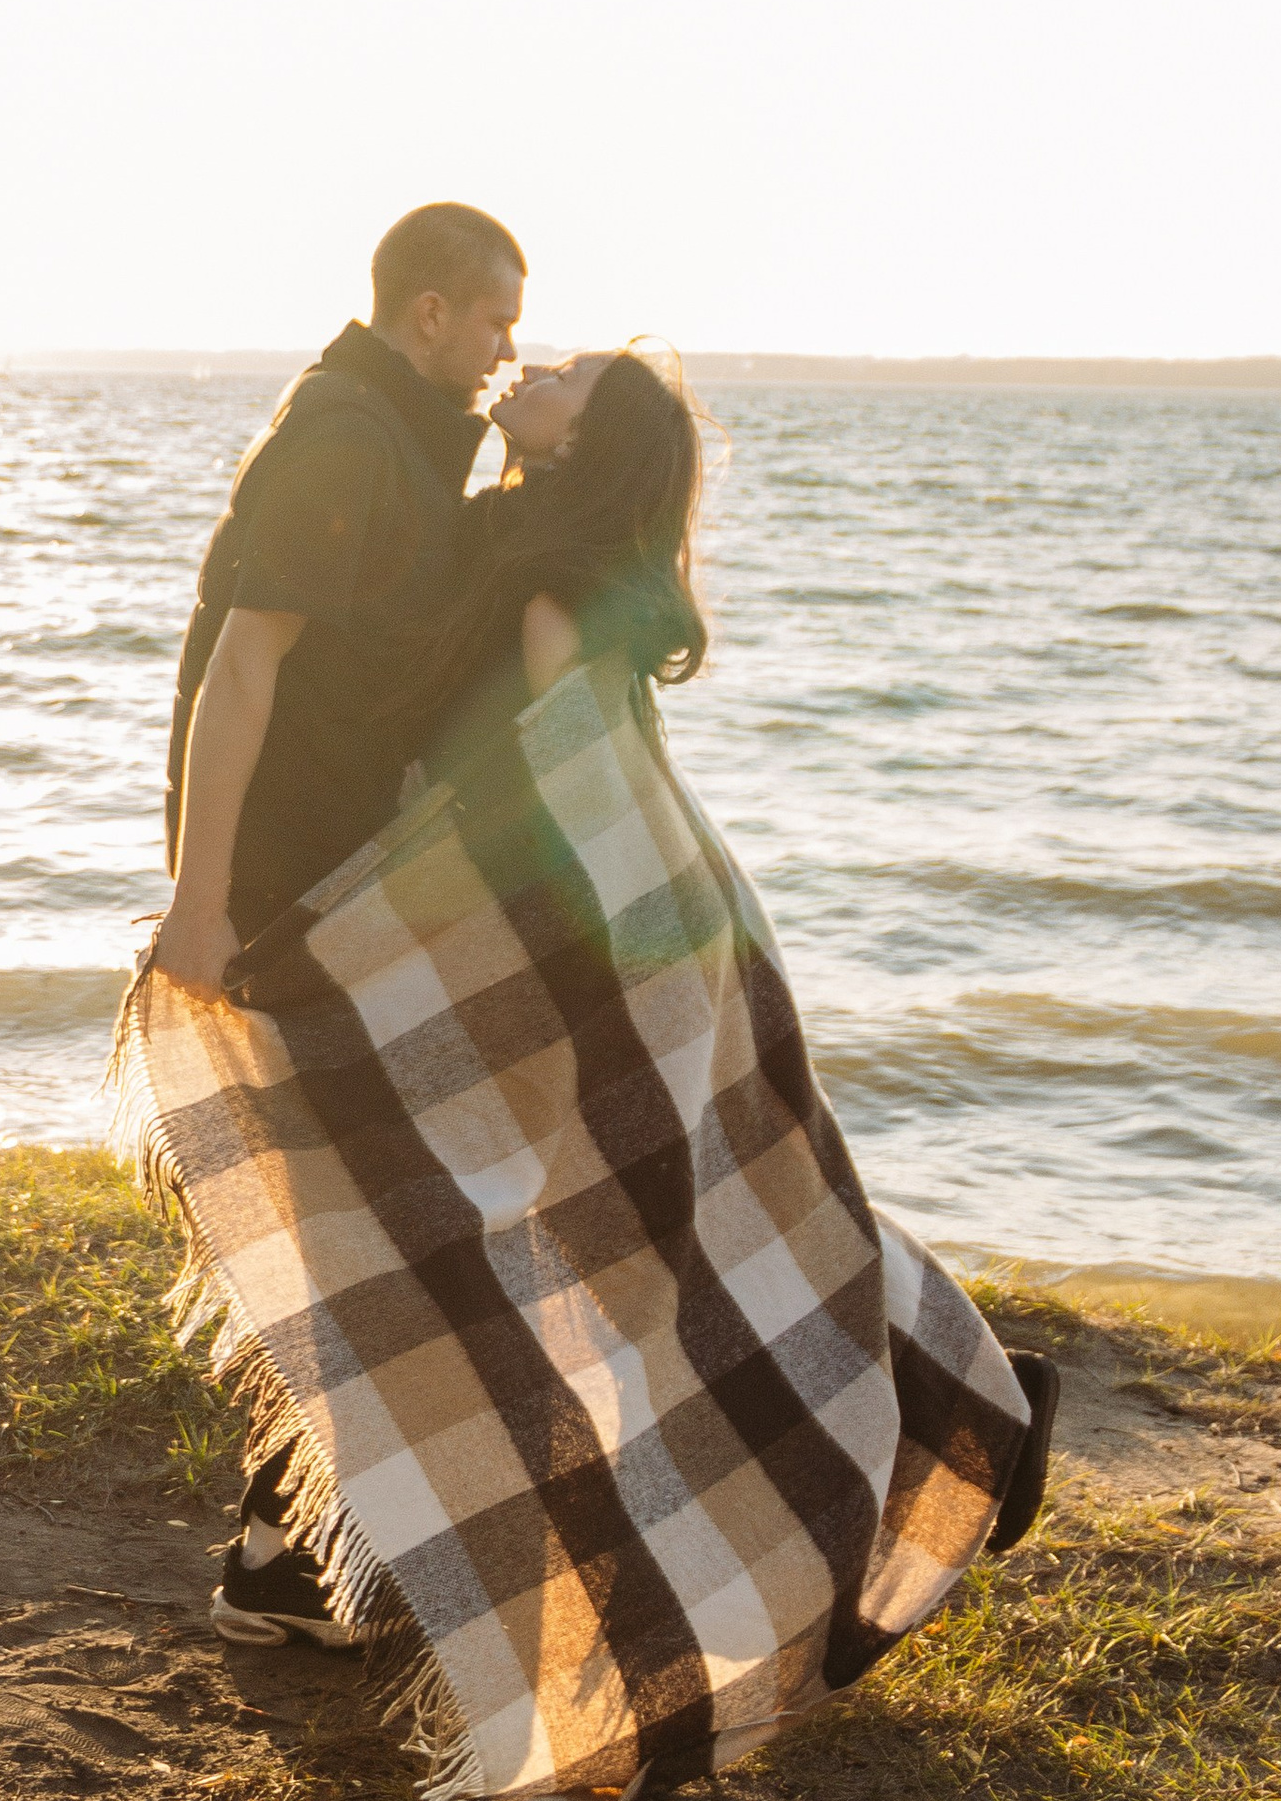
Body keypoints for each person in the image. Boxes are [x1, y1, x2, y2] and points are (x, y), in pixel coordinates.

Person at [201, 342, 1059, 1647]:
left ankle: (960, 1417)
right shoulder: (517, 535)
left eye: (565, 373)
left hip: (612, 951)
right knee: (609, 1228)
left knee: (648, 1233)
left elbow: (568, 802)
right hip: (636, 936)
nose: (531, 364)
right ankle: (289, 1555)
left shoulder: (546, 581)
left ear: (578, 442)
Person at [150, 202, 526, 1001]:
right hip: (278, 875)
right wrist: (197, 906)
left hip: (330, 861)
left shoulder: (391, 427)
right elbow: (241, 663)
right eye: (499, 323)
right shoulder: (348, 437)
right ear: (431, 314)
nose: (510, 351)